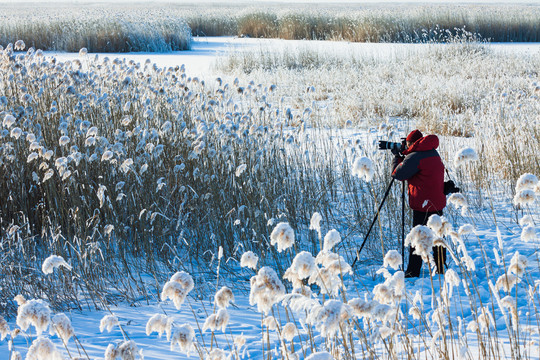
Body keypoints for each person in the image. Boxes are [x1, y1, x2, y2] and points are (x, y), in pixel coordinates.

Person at [391, 129, 446, 277]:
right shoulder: (433, 152)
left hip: (422, 204)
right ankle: (441, 267)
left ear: (411, 143)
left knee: (418, 236)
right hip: (437, 202)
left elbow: (398, 174)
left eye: (407, 143)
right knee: (437, 236)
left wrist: (397, 157)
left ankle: (413, 271)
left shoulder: (415, 156)